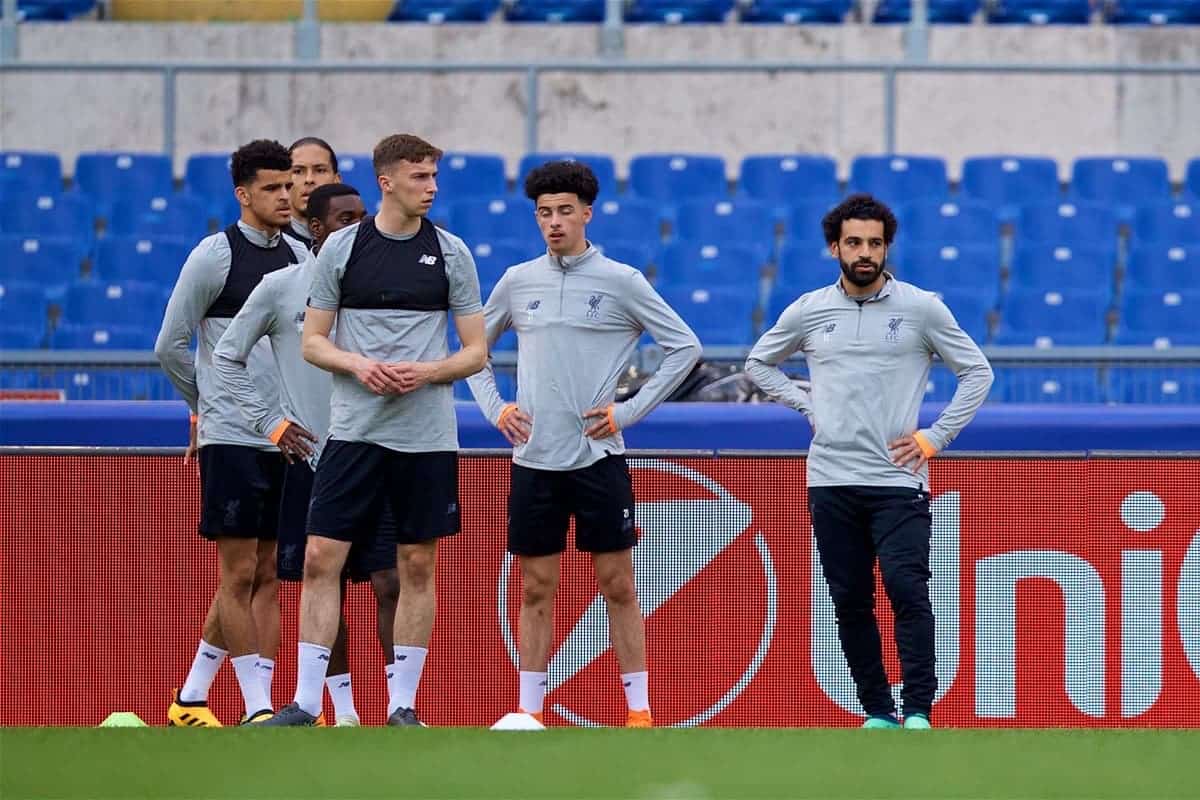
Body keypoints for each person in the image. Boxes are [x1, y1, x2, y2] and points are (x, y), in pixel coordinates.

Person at [260, 133, 486, 727]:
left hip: (426, 437)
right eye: (419, 177)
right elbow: (312, 342)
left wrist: (430, 372)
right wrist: (360, 365)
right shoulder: (342, 249)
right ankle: (307, 702)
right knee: (318, 558)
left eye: (434, 177)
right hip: (354, 432)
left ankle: (403, 705)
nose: (431, 188)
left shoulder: (453, 252)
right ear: (387, 180)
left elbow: (476, 352)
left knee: (416, 565)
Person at [745, 193, 993, 730]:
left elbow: (978, 372)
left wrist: (936, 437)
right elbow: (758, 363)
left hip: (898, 479)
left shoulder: (921, 307)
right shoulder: (810, 310)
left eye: (875, 243)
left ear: (887, 248)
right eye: (854, 242)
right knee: (851, 600)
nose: (865, 253)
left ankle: (920, 710)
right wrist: (806, 404)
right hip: (830, 479)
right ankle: (878, 710)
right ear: (834, 247)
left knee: (907, 588)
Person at [467, 161, 702, 728]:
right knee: (534, 586)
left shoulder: (621, 281)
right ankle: (528, 709)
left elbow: (685, 347)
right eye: (544, 213)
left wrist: (629, 411)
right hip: (534, 459)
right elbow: (473, 350)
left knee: (618, 583)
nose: (553, 222)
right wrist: (495, 408)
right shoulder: (518, 281)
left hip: (598, 457)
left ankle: (638, 710)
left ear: (587, 214)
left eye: (564, 211)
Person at [213, 183, 401, 727]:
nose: (357, 226)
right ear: (314, 228)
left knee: (390, 582)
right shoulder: (280, 287)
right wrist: (270, 422)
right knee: (328, 582)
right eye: (345, 218)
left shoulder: (385, 285)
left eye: (362, 217)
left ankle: (398, 707)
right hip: (315, 461)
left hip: (380, 452)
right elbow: (228, 359)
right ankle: (340, 714)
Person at [156, 139, 309, 726]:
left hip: (289, 437)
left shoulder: (299, 255)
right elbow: (169, 345)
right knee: (239, 572)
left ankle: (194, 697)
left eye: (289, 184)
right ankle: (257, 707)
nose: (285, 196)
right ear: (243, 195)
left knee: (269, 573)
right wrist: (207, 408)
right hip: (235, 438)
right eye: (272, 188)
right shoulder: (214, 256)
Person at [282, 136, 341, 248]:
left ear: (337, 180)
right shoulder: (270, 242)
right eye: (298, 171)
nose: (309, 179)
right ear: (285, 180)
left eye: (320, 170)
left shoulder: (355, 242)